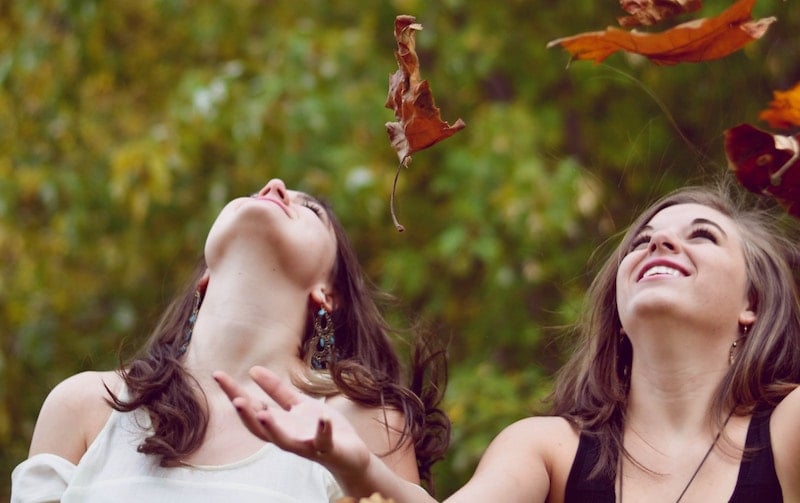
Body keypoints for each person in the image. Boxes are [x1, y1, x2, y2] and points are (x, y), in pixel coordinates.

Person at [216, 182, 800, 502]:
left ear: (752, 302)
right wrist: (356, 464)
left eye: (702, 236)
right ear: (618, 310)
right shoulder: (547, 450)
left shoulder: (788, 430)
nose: (660, 246)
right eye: (642, 242)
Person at [11, 178, 449, 502]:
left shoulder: (360, 423)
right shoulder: (85, 408)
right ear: (204, 275)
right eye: (262, 189)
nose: (275, 186)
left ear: (328, 294)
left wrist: (366, 473)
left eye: (311, 209)